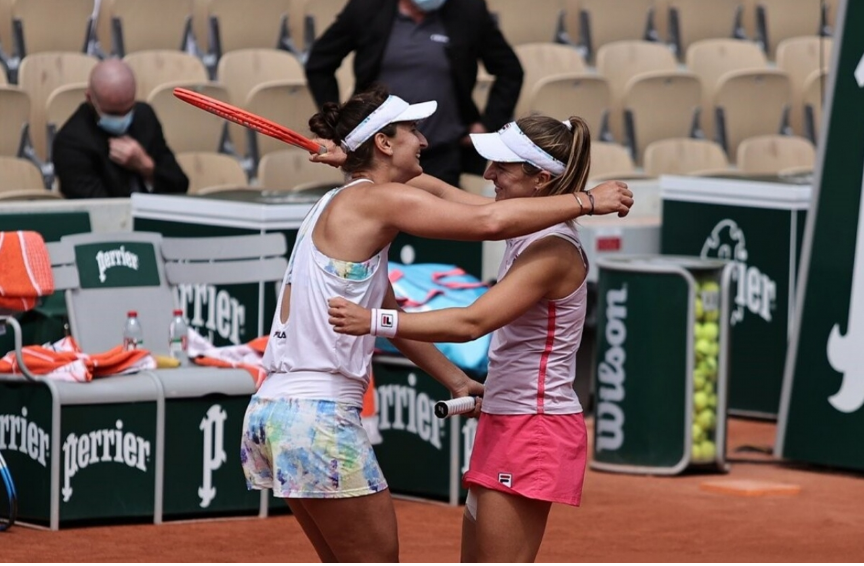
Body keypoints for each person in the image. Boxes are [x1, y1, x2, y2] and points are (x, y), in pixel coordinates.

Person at [240, 85, 633, 562]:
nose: (424, 141)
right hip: (317, 418)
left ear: (536, 177)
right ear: (384, 143)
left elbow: (465, 252)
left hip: (274, 413)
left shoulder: (347, 203)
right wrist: (587, 200)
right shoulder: (374, 202)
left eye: (500, 167)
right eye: (412, 131)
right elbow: (488, 222)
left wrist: (450, 376)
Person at [327, 113, 609, 561]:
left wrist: (376, 321)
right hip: (507, 420)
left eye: (501, 166)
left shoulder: (553, 248)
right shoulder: (524, 224)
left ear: (539, 178)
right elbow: (431, 188)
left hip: (532, 427)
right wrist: (358, 162)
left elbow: (473, 323)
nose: (488, 174)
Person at [304, 0, 524, 188]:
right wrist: (340, 123)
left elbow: (510, 70)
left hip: (443, 151)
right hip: (376, 155)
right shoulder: (367, 8)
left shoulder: (468, 10)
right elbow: (319, 64)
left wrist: (488, 123)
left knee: (439, 224)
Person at [52, 58, 189, 199]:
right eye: (113, 113)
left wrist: (147, 167)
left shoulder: (143, 116)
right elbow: (102, 209)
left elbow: (180, 185)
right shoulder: (70, 143)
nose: (124, 119)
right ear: (89, 98)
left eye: (129, 109)